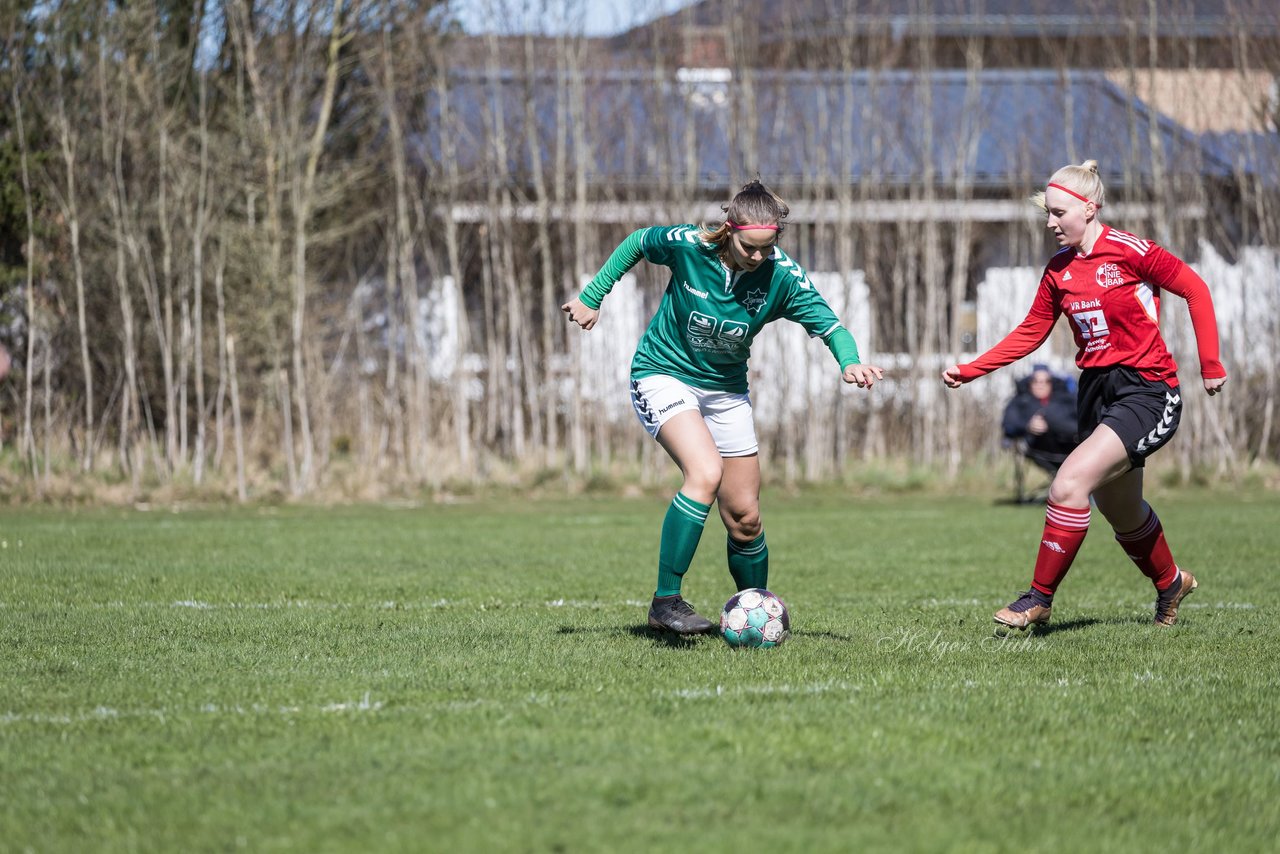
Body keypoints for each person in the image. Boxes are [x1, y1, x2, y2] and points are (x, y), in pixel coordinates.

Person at [562, 180, 884, 634]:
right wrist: (593, 296)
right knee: (705, 473)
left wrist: (850, 362)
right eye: (749, 247)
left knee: (745, 517)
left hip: (726, 391)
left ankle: (759, 614)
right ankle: (665, 601)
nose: (757, 257)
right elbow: (637, 241)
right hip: (661, 374)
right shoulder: (689, 247)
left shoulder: (781, 276)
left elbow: (831, 326)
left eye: (766, 248)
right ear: (728, 230)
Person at [943, 160, 1226, 630]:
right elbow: (1031, 332)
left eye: (1058, 213)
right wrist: (973, 369)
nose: (1051, 223)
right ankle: (1171, 583)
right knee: (1121, 510)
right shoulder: (1059, 271)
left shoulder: (1130, 251)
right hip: (1095, 395)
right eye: (1047, 215)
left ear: (1089, 208)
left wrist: (1211, 364)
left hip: (1147, 391)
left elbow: (1195, 290)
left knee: (1068, 484)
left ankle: (1039, 598)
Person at [1002, 364, 1078, 486]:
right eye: (1035, 380)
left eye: (1046, 381)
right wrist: (1028, 426)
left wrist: (1052, 423)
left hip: (1070, 449)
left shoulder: (1066, 400)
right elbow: (1009, 424)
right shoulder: (1021, 401)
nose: (1040, 384)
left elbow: (1080, 423)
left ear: (1051, 382)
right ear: (1029, 382)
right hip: (1038, 450)